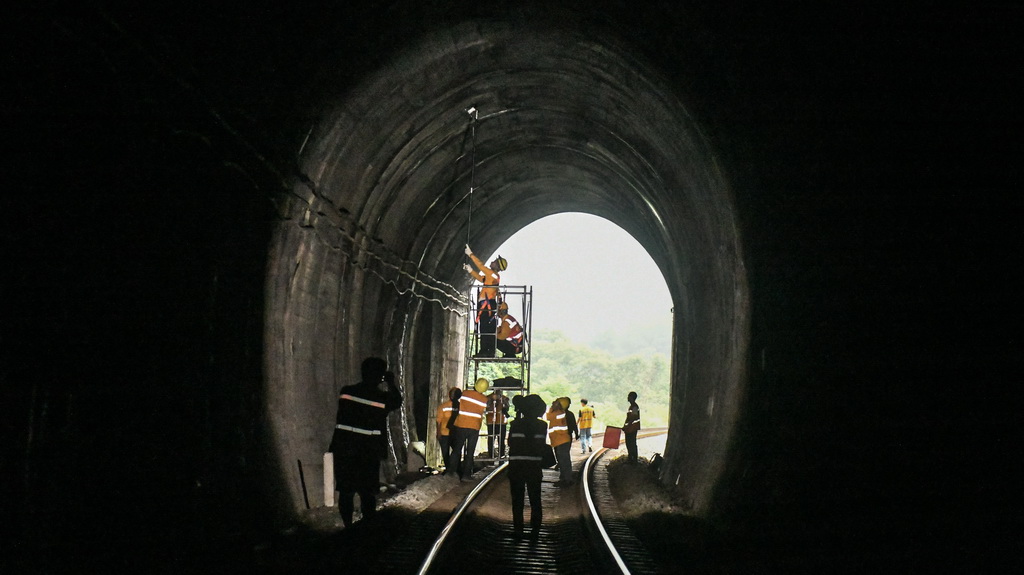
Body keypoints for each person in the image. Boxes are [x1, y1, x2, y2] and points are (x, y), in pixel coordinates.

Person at [328, 357, 402, 528]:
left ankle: (348, 526)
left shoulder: (346, 392)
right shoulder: (381, 398)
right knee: (367, 492)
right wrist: (390, 383)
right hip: (368, 452)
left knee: (346, 491)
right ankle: (366, 528)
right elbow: (397, 401)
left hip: (344, 449)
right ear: (380, 376)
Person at [508, 394, 548, 541]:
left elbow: (510, 443)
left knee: (517, 500)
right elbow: (541, 445)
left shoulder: (515, 424)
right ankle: (535, 530)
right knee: (535, 499)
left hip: (516, 466)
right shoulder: (543, 426)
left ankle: (518, 529)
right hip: (534, 466)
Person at [463, 244, 507, 358]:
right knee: (485, 329)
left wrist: (470, 254)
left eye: (495, 261)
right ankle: (486, 351)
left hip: (487, 305)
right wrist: (471, 270)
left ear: (497, 266)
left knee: (485, 329)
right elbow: (481, 279)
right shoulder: (493, 276)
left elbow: (481, 266)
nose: (492, 261)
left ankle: (486, 351)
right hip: (487, 305)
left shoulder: (492, 273)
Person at [449, 377, 489, 482]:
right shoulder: (484, 400)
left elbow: (457, 399)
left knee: (457, 449)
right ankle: (466, 475)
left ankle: (450, 473)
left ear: (475, 385)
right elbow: (486, 405)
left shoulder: (465, 393)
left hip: (461, 425)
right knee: (470, 452)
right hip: (474, 427)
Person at [546, 396, 578, 486]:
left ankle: (567, 479)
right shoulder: (560, 412)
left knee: (564, 460)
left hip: (562, 440)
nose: (553, 402)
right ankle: (564, 478)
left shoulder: (558, 413)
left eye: (556, 402)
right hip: (560, 440)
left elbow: (548, 416)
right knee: (562, 460)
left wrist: (552, 407)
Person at [436, 387, 461, 474]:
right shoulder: (443, 406)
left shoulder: (461, 406)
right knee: (445, 452)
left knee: (457, 451)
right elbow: (438, 421)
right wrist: (438, 432)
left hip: (456, 433)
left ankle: (456, 469)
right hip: (444, 432)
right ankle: (449, 469)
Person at [486, 388, 510, 457]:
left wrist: (504, 402)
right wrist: (492, 400)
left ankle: (501, 457)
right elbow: (486, 406)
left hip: (501, 422)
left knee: (501, 441)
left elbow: (507, 408)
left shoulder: (505, 398)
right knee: (491, 440)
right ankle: (491, 456)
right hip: (491, 421)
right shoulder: (488, 398)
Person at [623, 391, 641, 464]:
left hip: (632, 428)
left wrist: (627, 426)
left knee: (631, 443)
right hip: (631, 427)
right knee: (629, 443)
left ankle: (633, 459)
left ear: (632, 398)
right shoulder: (632, 406)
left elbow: (633, 418)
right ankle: (631, 458)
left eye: (629, 396)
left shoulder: (634, 407)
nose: (627, 398)